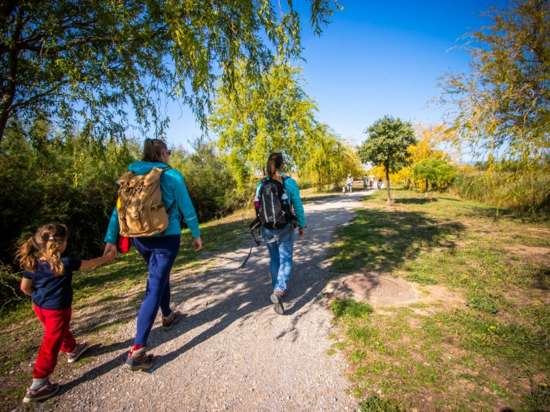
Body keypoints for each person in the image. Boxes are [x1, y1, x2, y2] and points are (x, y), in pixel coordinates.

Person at [103, 138, 202, 371]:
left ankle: (167, 315)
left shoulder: (131, 175)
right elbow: (187, 208)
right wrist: (196, 234)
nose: (170, 155)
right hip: (166, 237)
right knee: (154, 286)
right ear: (161, 154)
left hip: (139, 238)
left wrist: (110, 238)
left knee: (159, 276)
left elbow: (118, 209)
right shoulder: (172, 175)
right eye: (168, 151)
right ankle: (137, 350)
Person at [17, 223, 115, 403]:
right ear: (61, 244)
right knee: (51, 341)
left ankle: (72, 349)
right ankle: (38, 384)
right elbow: (90, 264)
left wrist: (38, 297)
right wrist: (107, 257)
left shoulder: (33, 262)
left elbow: (24, 288)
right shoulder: (66, 262)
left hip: (39, 307)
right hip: (57, 309)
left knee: (58, 331)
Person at [255, 153, 306, 315]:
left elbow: (257, 205)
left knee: (274, 258)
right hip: (285, 227)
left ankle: (277, 287)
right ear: (282, 165)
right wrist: (301, 224)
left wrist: (261, 222)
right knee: (286, 259)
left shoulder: (261, 184)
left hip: (267, 228)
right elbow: (297, 204)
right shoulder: (289, 183)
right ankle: (279, 290)